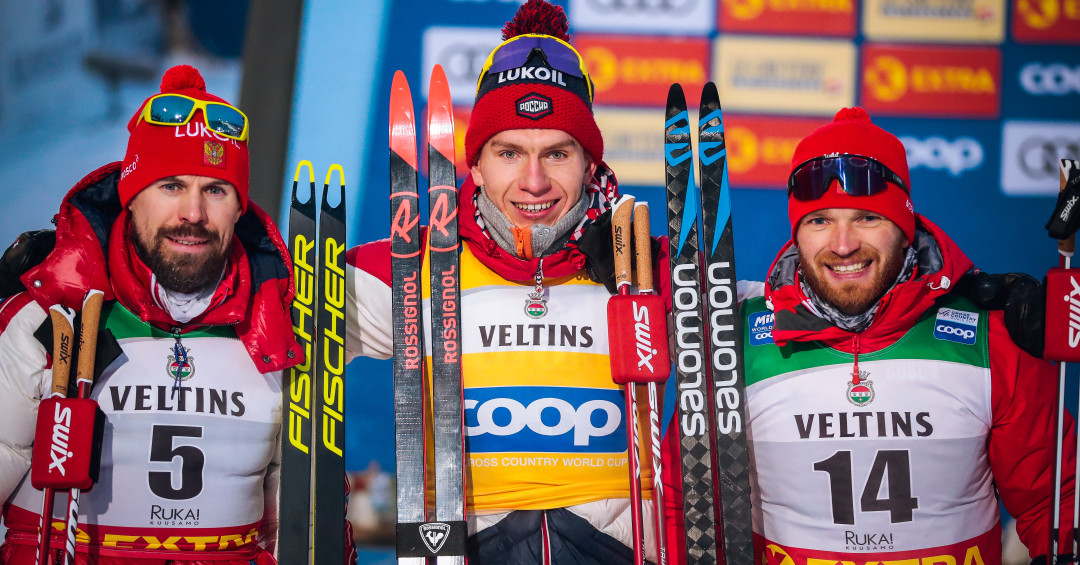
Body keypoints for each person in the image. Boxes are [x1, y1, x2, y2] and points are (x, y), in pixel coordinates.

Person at [662, 107, 1077, 564]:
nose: (843, 244)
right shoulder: (734, 340)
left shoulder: (987, 335)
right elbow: (686, 507)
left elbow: (1056, 501)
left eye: (866, 218)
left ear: (905, 229)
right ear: (798, 233)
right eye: (819, 221)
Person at [345, 1, 677, 563]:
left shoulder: (654, 272)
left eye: (557, 153)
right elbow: (251, 326)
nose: (534, 181)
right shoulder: (407, 269)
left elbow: (784, 327)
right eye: (509, 152)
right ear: (475, 164)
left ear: (591, 164)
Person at [0, 65, 354, 564]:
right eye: (170, 185)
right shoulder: (50, 315)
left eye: (216, 190)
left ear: (238, 208)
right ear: (131, 195)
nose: (193, 213)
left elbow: (299, 525)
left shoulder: (279, 324)